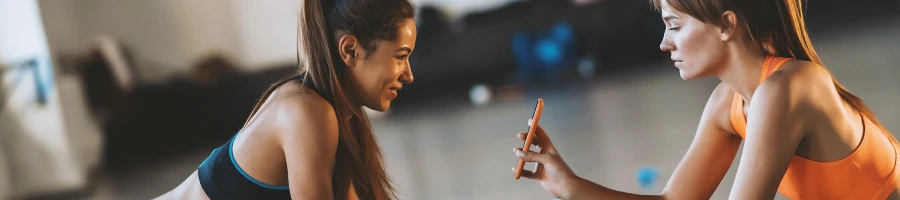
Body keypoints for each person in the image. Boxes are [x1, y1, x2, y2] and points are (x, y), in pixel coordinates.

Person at [511, 0, 900, 199]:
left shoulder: (790, 86)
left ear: (727, 24)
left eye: (675, 26)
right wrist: (568, 185)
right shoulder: (726, 104)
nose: (665, 43)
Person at [156, 0, 416, 199]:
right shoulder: (306, 113)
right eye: (400, 56)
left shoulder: (343, 118)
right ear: (350, 50)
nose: (409, 75)